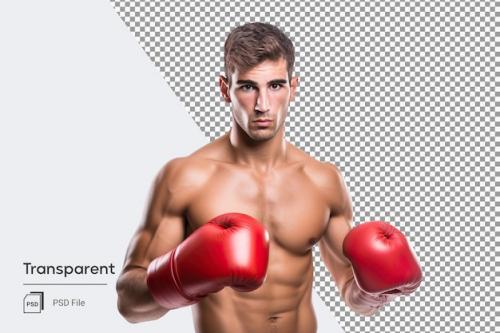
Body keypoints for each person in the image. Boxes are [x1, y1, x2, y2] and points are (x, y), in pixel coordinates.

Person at [116, 22, 422, 333]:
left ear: (293, 88)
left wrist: (372, 292)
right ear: (225, 90)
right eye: (248, 87)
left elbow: (351, 293)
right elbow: (129, 303)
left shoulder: (323, 180)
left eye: (275, 86)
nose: (263, 105)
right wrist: (180, 277)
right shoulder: (186, 178)